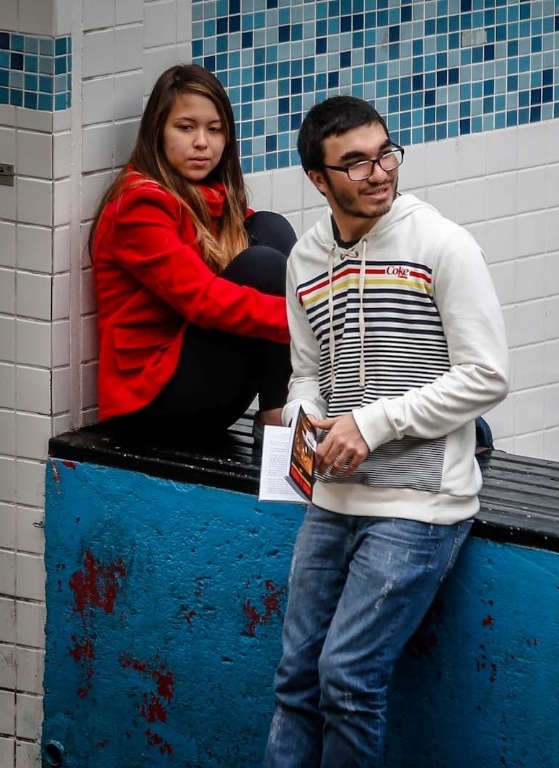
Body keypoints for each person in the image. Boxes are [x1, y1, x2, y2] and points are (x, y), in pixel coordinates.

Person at [264, 96, 509, 767]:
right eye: (356, 163)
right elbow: (310, 370)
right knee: (296, 681)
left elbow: (487, 377)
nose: (378, 173)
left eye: (385, 153)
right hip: (332, 498)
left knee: (346, 678)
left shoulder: (442, 245)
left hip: (420, 505)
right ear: (319, 178)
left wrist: (373, 425)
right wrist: (306, 413)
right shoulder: (306, 260)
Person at [90, 64, 297, 441]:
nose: (202, 142)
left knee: (270, 227)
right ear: (158, 132)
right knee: (263, 265)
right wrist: (306, 318)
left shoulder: (208, 196)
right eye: (186, 128)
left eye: (214, 129)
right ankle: (278, 417)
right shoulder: (138, 208)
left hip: (195, 380)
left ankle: (279, 407)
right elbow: (203, 300)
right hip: (151, 404)